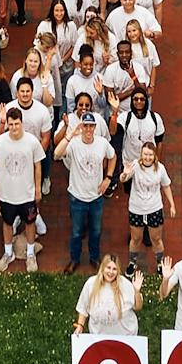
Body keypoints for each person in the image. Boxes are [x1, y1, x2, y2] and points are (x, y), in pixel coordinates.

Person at [58, 111, 118, 274]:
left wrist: (108, 178)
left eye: (91, 126)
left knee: (95, 231)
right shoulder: (74, 143)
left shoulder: (102, 143)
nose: (88, 129)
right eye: (85, 126)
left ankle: (94, 258)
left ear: (95, 127)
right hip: (77, 197)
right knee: (76, 232)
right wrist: (71, 134)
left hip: (96, 197)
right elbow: (57, 154)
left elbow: (113, 157)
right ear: (81, 127)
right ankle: (74, 259)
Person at [0, 107, 46, 271]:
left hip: (27, 194)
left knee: (30, 223)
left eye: (17, 124)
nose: (14, 127)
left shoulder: (32, 141)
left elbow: (38, 166)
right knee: (7, 223)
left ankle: (30, 254)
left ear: (21, 123)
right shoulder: (0, 142)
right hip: (7, 194)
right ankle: (8, 253)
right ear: (7, 124)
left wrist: (37, 189)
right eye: (11, 124)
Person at [119, 142, 176, 278]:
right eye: (145, 154)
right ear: (141, 154)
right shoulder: (135, 166)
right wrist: (125, 174)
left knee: (156, 238)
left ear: (155, 155)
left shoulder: (160, 169)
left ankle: (160, 263)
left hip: (154, 208)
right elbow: (123, 179)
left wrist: (172, 204)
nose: (147, 157)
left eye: (150, 155)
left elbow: (166, 186)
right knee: (136, 238)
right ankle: (132, 263)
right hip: (136, 209)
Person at [74, 254, 145, 336]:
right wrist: (80, 325)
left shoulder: (125, 284)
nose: (111, 272)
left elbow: (138, 307)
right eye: (108, 268)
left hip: (125, 335)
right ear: (103, 268)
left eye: (114, 269)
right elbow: (83, 308)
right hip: (98, 335)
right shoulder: (91, 284)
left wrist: (136, 291)